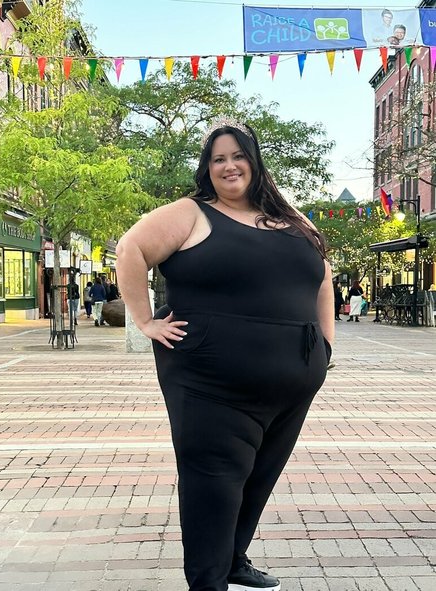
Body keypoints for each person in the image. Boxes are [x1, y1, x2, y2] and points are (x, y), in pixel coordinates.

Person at [116, 118, 334, 591]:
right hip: (211, 385)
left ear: (255, 162)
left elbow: (323, 279)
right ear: (207, 167)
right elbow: (130, 249)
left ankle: (233, 559)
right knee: (212, 483)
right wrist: (146, 321)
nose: (229, 166)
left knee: (259, 477)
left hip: (293, 384)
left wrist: (326, 343)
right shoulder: (192, 213)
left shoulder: (292, 219)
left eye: (238, 156)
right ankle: (208, 582)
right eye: (218, 159)